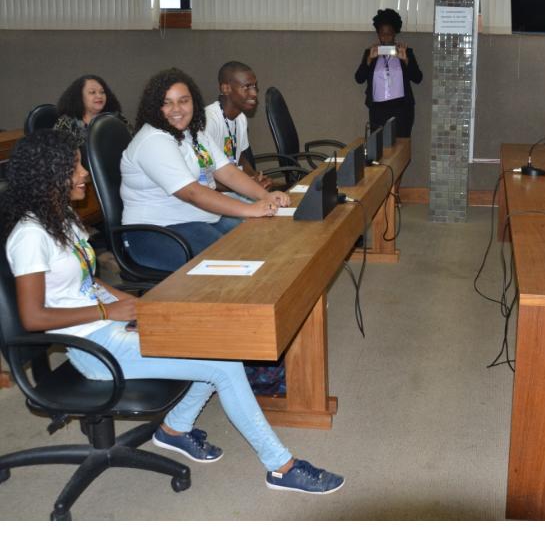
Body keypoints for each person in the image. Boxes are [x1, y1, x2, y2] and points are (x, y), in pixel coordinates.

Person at [1, 129, 344, 494]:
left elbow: (86, 281)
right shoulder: (30, 236)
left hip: (108, 326)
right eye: (74, 167)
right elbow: (33, 318)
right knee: (223, 366)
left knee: (216, 340)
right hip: (94, 350)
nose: (84, 173)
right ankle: (281, 467)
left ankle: (175, 428)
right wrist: (108, 312)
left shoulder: (62, 219)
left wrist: (137, 306)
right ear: (49, 174)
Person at [121, 68, 290, 272]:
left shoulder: (194, 133)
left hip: (198, 219)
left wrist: (265, 196)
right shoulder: (153, 140)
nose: (177, 109)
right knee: (238, 258)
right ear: (155, 107)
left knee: (260, 240)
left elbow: (227, 171)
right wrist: (250, 209)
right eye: (167, 102)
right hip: (154, 233)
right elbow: (192, 193)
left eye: (183, 101)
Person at [354, 8, 423, 138]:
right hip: (377, 110)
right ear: (378, 34)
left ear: (395, 33)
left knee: (401, 146)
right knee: (378, 146)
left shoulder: (406, 52)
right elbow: (359, 78)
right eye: (382, 33)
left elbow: (418, 78)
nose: (385, 37)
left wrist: (406, 60)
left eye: (389, 33)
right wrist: (369, 60)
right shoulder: (370, 53)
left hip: (401, 109)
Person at [203, 61, 271, 193]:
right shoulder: (208, 121)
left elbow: (239, 158)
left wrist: (256, 178)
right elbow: (204, 176)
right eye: (247, 87)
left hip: (233, 189)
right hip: (213, 195)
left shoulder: (240, 118)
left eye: (255, 86)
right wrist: (247, 187)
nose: (254, 93)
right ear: (226, 89)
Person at [53, 74, 132, 147]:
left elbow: (133, 146)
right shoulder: (66, 122)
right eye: (92, 92)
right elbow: (57, 151)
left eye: (102, 92)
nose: (99, 96)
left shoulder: (117, 119)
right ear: (79, 97)